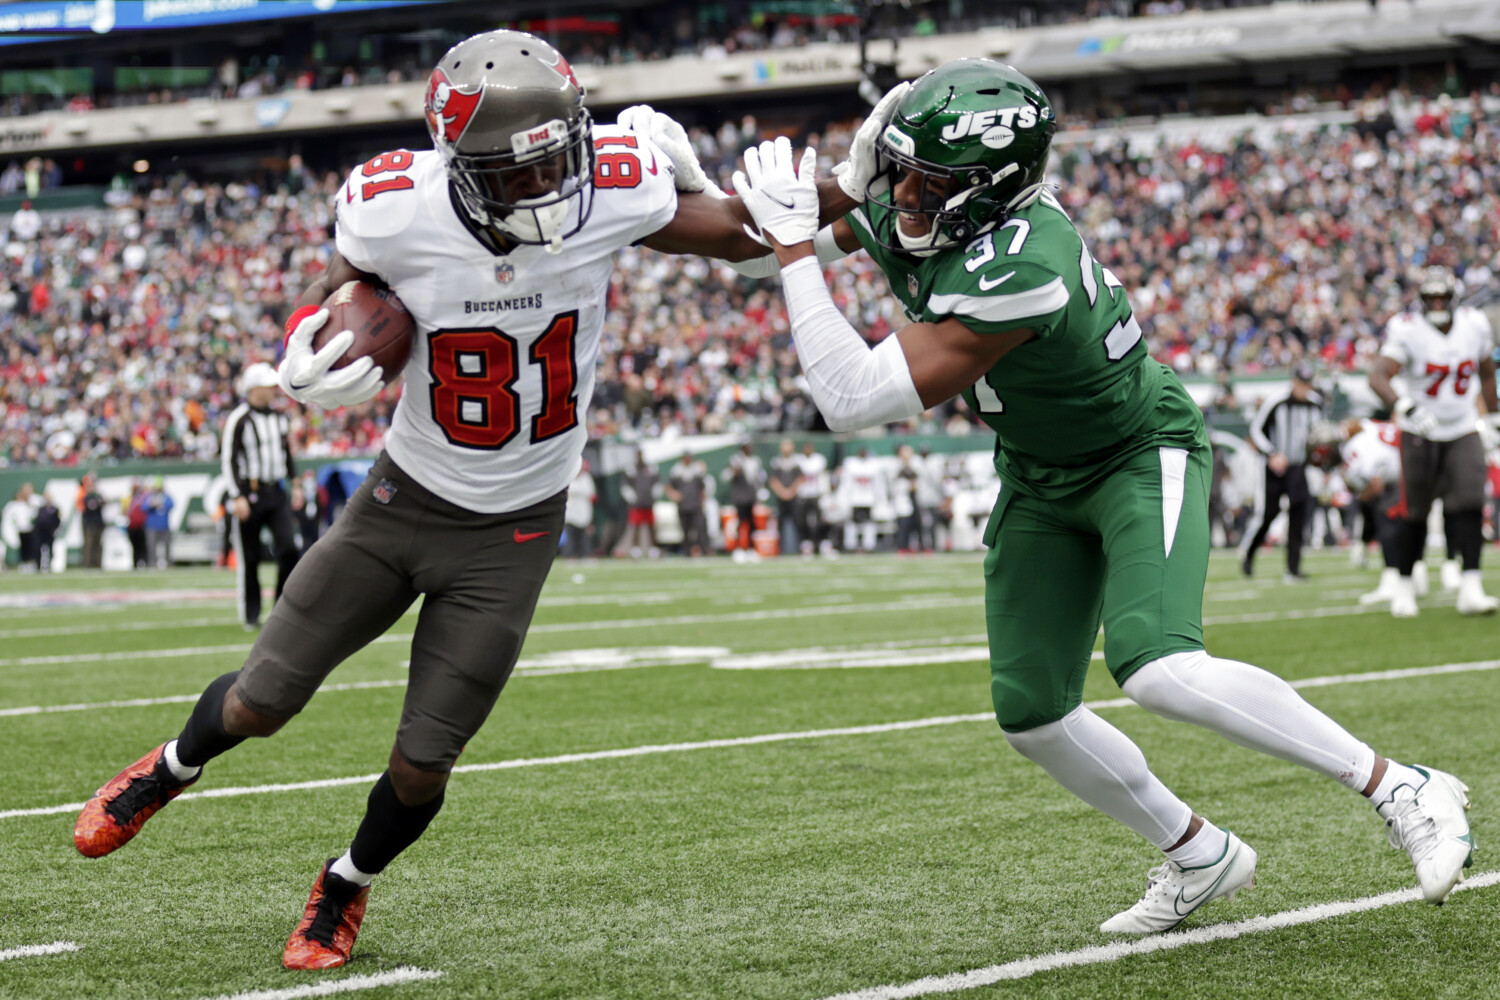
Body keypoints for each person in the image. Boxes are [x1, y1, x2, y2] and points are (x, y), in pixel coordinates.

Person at [73, 28, 781, 972]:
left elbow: (752, 242)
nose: (547, 189)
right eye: (516, 174)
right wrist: (315, 336)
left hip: (516, 530)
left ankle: (344, 886)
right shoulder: (395, 207)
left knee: (423, 761)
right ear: (460, 169)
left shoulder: (615, 184)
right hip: (400, 501)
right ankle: (168, 770)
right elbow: (350, 288)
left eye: (556, 161)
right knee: (262, 700)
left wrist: (821, 192)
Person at [726, 60, 1474, 933]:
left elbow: (850, 398)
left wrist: (789, 242)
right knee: (1033, 713)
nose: (906, 196)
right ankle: (1198, 853)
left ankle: (1398, 784)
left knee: (1158, 666)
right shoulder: (941, 208)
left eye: (927, 179)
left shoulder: (1025, 260)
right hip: (1039, 475)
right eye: (903, 173)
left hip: (1132, 451)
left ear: (987, 188)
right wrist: (641, 191)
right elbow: (750, 255)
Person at [1369, 265, 1499, 616]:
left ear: (1454, 298)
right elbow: (1378, 376)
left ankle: (1471, 586)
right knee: (1416, 511)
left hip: (1462, 424)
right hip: (1420, 429)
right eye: (1431, 297)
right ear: (1422, 300)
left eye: (1443, 296)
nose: (1438, 302)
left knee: (1470, 502)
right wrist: (1405, 405)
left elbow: (1487, 372)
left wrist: (1491, 416)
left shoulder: (1474, 324)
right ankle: (1406, 584)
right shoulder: (1407, 329)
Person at [220, 363, 300, 627]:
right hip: (250, 494)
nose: (273, 390)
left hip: (275, 492)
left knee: (289, 547)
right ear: (254, 388)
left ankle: (281, 608)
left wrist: (295, 483)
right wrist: (237, 495)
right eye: (268, 385)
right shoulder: (239, 418)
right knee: (250, 556)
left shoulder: (279, 418)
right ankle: (251, 614)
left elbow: (287, 454)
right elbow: (229, 459)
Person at [1238, 364, 1324, 582]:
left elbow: (1319, 434)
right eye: (1301, 384)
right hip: (1274, 467)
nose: (1304, 389)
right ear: (1293, 382)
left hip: (1298, 466)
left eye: (1307, 384)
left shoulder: (1316, 404)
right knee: (1268, 514)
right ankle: (1248, 553)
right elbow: (1256, 430)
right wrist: (1272, 453)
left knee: (1299, 512)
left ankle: (1293, 569)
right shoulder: (1276, 401)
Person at [665, 451, 710, 556]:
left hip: (695, 505)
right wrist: (674, 495)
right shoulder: (676, 471)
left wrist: (702, 501)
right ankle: (687, 551)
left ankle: (705, 550)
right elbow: (668, 487)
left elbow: (702, 488)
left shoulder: (696, 470)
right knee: (685, 530)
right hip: (683, 505)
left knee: (700, 528)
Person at [723, 442, 763, 560]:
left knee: (751, 523)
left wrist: (759, 493)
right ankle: (738, 548)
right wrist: (734, 470)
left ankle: (751, 548)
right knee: (740, 522)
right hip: (739, 497)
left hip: (750, 496)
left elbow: (758, 478)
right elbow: (725, 477)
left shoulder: (755, 461)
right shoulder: (735, 460)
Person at [619, 448, 659, 558]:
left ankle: (653, 547)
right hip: (637, 503)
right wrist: (632, 497)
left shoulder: (650, 468)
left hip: (648, 502)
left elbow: (657, 482)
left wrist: (653, 495)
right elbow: (625, 485)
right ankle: (636, 548)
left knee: (651, 525)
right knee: (635, 525)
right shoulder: (631, 469)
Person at [768, 438, 804, 555]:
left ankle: (798, 548)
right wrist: (782, 492)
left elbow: (800, 479)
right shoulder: (777, 462)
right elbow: (773, 480)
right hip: (781, 498)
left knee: (798, 522)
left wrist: (791, 491)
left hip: (794, 498)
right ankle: (780, 549)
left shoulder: (796, 462)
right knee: (780, 523)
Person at [795, 441, 828, 555]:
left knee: (819, 521)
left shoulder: (818, 460)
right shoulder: (798, 460)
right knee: (802, 521)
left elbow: (822, 476)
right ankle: (806, 545)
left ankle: (819, 544)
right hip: (803, 495)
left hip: (815, 494)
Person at [563, 460, 597, 558]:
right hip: (570, 512)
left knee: (584, 536)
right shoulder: (569, 477)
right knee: (571, 536)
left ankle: (586, 554)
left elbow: (591, 493)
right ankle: (570, 555)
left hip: (584, 511)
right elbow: (570, 490)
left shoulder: (586, 478)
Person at [143, 478, 175, 569]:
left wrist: (161, 502)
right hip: (152, 527)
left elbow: (171, 505)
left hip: (164, 526)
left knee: (167, 547)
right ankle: (152, 564)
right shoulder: (149, 497)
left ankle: (168, 563)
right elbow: (144, 508)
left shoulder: (166, 497)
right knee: (152, 547)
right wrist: (151, 504)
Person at [78, 473, 106, 569]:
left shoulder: (99, 496)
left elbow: (103, 503)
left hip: (98, 523)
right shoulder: (86, 497)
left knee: (98, 544)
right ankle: (87, 564)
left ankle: (97, 564)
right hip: (89, 524)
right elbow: (92, 506)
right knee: (89, 545)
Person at [33, 490, 61, 572]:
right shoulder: (40, 508)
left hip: (50, 532)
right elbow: (37, 520)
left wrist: (54, 529)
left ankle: (49, 565)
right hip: (40, 532)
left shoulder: (55, 509)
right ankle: (38, 565)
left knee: (50, 549)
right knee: (38, 549)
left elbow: (58, 520)